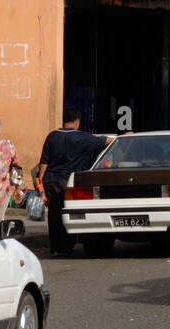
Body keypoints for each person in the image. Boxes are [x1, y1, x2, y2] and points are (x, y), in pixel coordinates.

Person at [37, 108, 118, 255]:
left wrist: (40, 181)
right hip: (69, 182)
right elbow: (109, 142)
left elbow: (44, 161)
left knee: (54, 216)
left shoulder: (52, 136)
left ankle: (57, 247)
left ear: (63, 121)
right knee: (68, 214)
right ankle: (68, 246)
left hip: (50, 181)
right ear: (77, 122)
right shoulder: (83, 138)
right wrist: (125, 139)